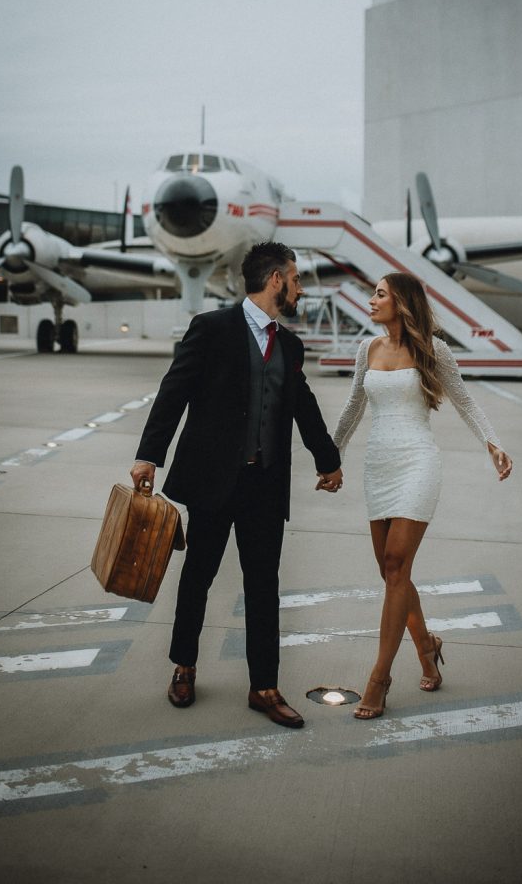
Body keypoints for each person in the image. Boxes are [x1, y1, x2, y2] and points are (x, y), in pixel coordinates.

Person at [130, 241, 342, 729]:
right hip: (213, 482)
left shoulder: (288, 344)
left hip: (264, 486)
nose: (300, 287)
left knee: (264, 587)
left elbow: (301, 404)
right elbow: (174, 390)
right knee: (197, 578)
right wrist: (149, 454)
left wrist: (327, 459)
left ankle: (263, 686)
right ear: (275, 281)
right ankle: (184, 666)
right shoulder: (212, 329)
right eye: (295, 278)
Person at [332, 272, 512, 720]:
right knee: (391, 572)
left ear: (402, 303)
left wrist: (493, 443)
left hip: (418, 462)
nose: (371, 300)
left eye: (379, 294)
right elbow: (355, 406)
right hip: (379, 465)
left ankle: (379, 679)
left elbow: (465, 401)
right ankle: (427, 646)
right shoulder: (367, 349)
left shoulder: (435, 350)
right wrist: (330, 456)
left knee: (395, 565)